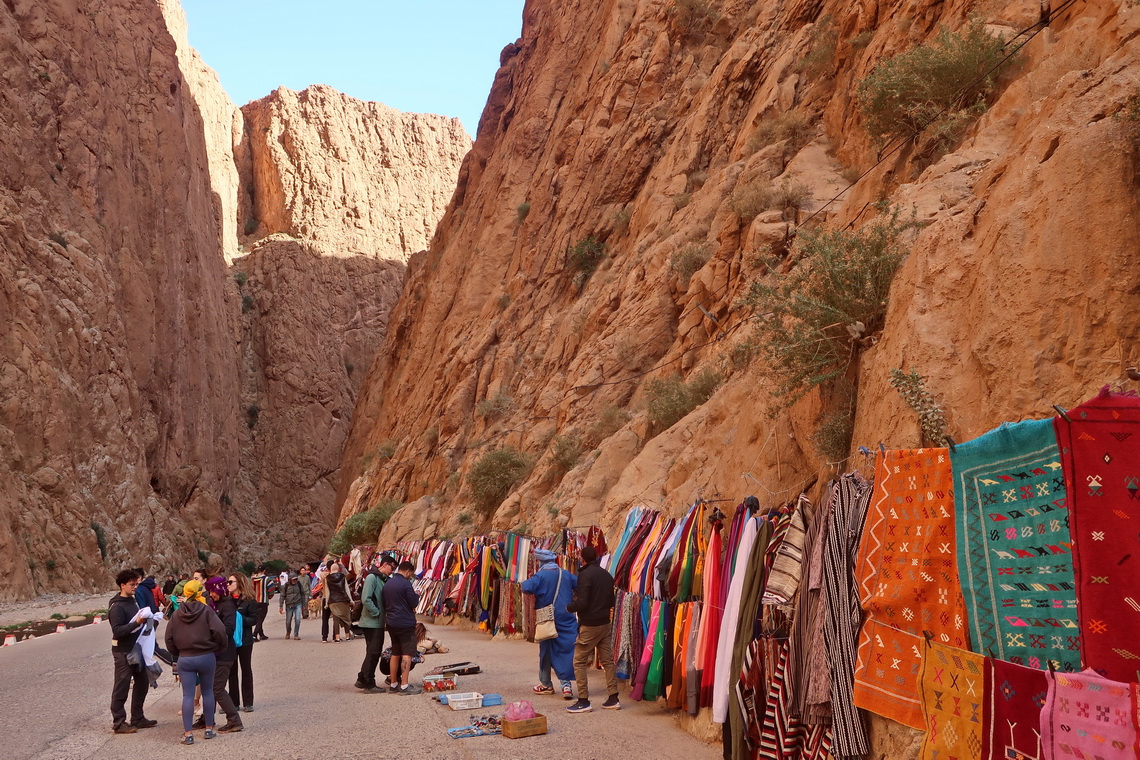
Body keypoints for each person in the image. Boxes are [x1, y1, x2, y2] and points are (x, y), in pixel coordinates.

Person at [165, 579, 227, 745]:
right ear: (200, 592)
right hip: (206, 656)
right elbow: (220, 631)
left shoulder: (177, 614)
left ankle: (188, 734)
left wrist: (178, 653)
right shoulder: (207, 611)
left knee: (187, 695)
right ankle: (208, 729)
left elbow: (168, 638)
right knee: (207, 692)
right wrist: (218, 647)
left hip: (185, 658)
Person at [564, 545, 620, 713]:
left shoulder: (584, 575)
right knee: (608, 661)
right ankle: (613, 697)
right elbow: (611, 601)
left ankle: (583, 700)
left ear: (582, 559)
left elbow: (583, 602)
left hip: (590, 624)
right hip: (605, 622)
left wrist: (570, 607)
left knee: (579, 661)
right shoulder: (606, 575)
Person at [521, 548, 578, 699]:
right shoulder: (565, 574)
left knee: (546, 651)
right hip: (566, 617)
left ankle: (546, 684)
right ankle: (566, 686)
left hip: (547, 617)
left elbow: (525, 587)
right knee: (566, 650)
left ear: (540, 561)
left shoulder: (540, 575)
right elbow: (579, 585)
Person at [109, 568, 156, 734]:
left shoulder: (132, 600)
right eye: (132, 584)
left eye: (137, 584)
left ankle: (138, 718)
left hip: (136, 649)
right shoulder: (116, 607)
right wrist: (137, 622)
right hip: (122, 651)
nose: (135, 587)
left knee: (142, 682)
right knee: (121, 686)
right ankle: (119, 722)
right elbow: (118, 631)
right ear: (122, 585)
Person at [205, 577, 244, 733]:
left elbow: (229, 628)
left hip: (225, 653)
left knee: (217, 688)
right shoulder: (213, 603)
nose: (211, 594)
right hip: (214, 652)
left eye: (213, 591)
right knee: (210, 687)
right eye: (209, 591)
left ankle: (234, 720)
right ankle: (206, 719)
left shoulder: (227, 605)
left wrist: (211, 632)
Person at [355, 555, 396, 691]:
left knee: (372, 652)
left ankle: (362, 678)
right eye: (392, 567)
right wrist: (377, 613)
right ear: (385, 565)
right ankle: (368, 682)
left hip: (376, 623)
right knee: (374, 652)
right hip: (371, 622)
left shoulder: (381, 579)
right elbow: (365, 599)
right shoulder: (372, 578)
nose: (392, 571)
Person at [381, 560, 422, 694]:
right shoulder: (406, 584)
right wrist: (417, 595)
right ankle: (404, 685)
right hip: (405, 623)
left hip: (391, 622)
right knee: (407, 654)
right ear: (408, 571)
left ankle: (393, 684)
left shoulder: (388, 583)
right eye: (411, 574)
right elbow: (413, 602)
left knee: (395, 652)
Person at [227, 573, 258, 713]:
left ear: (239, 583)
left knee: (246, 669)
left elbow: (254, 620)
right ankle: (233, 702)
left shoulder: (249, 601)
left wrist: (239, 619)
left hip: (245, 640)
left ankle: (248, 702)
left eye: (230, 582)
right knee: (231, 671)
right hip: (230, 641)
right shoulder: (226, 601)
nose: (227, 584)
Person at [322, 563, 353, 643]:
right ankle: (347, 636)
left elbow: (327, 591)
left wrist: (326, 603)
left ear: (331, 569)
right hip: (344, 600)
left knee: (336, 619)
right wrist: (351, 600)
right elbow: (347, 589)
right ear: (338, 569)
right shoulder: (342, 576)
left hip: (333, 601)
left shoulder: (327, 578)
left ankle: (337, 638)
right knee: (346, 618)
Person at [278, 571, 305, 639]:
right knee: (288, 621)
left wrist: (304, 605)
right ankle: (288, 631)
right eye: (293, 579)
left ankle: (296, 634)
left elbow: (303, 594)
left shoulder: (298, 584)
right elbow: (282, 596)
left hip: (298, 603)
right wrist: (281, 606)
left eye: (296, 579)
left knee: (298, 619)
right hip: (289, 605)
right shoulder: (285, 586)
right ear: (290, 579)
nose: (295, 581)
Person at [250, 566, 270, 640]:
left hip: (255, 601)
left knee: (258, 617)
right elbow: (271, 589)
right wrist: (269, 596)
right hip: (263, 601)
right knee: (260, 619)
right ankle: (254, 634)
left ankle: (261, 634)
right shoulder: (267, 579)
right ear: (264, 571)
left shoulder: (252, 579)